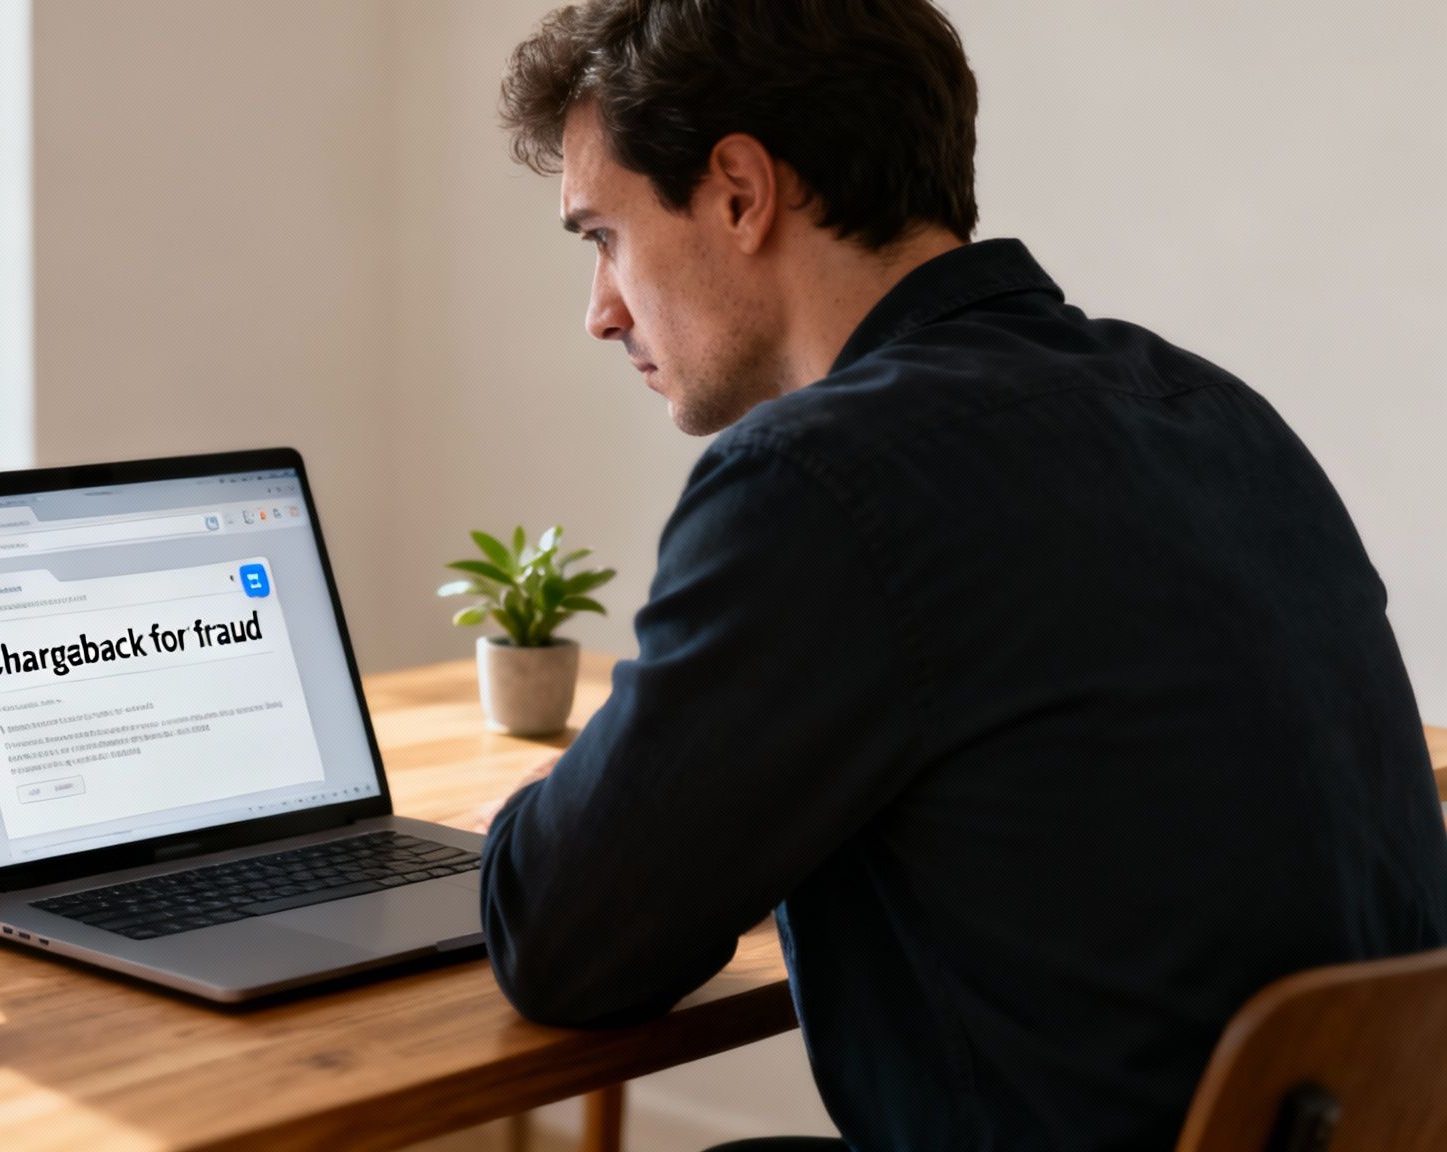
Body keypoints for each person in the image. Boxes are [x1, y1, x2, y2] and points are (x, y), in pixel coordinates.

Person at [473, 3, 1447, 1150]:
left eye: (603, 236)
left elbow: (562, 943)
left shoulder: (819, 483)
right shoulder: (1216, 415)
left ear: (738, 192)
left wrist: (537, 811)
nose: (600, 312)